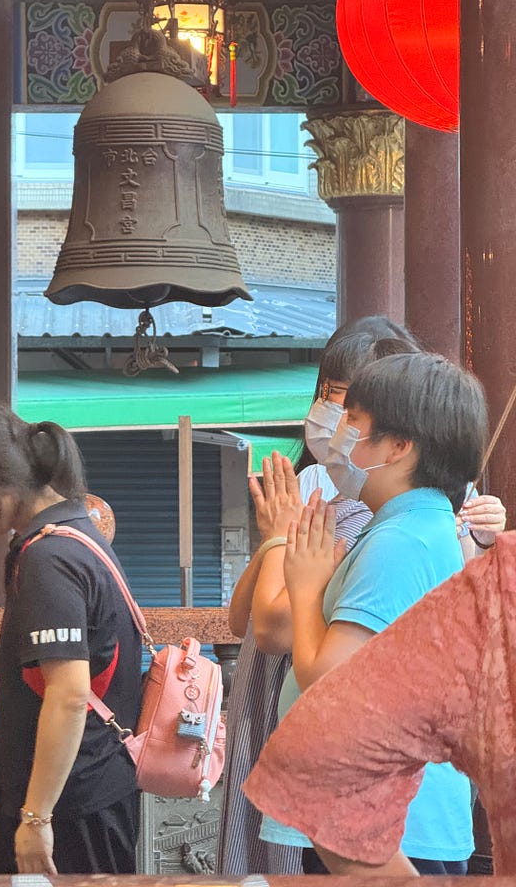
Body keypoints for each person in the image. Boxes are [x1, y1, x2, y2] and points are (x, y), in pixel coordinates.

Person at [243, 351, 489, 873]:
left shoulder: (399, 540)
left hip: (389, 829)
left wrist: (306, 588)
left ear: (399, 447)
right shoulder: (411, 525)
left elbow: (329, 680)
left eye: (354, 419)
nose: (339, 432)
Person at [217, 317, 422, 876]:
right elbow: (240, 617)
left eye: (351, 407)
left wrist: (284, 538)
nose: (334, 420)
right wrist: (275, 539)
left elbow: (273, 625)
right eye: (329, 398)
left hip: (322, 716)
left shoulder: (397, 519)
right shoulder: (310, 488)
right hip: (269, 695)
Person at [0, 399, 142, 876]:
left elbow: (68, 693)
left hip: (69, 807)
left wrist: (35, 816)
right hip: (88, 792)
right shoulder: (78, 532)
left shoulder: (48, 559)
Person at [242, 528, 516, 876]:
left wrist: (289, 558)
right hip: (417, 817)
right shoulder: (437, 543)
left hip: (416, 818)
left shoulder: (404, 542)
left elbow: (321, 696)